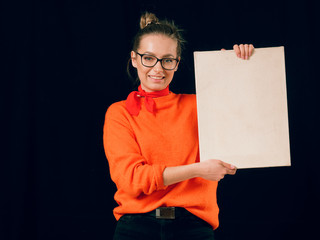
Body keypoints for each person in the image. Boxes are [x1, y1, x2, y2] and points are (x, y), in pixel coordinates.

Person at [103, 12, 254, 240]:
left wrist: (233, 68)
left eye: (167, 59)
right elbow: (132, 180)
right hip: (136, 228)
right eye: (148, 58)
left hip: (193, 228)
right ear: (134, 59)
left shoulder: (198, 106)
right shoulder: (119, 112)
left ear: (177, 63)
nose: (158, 68)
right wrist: (197, 170)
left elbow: (247, 117)